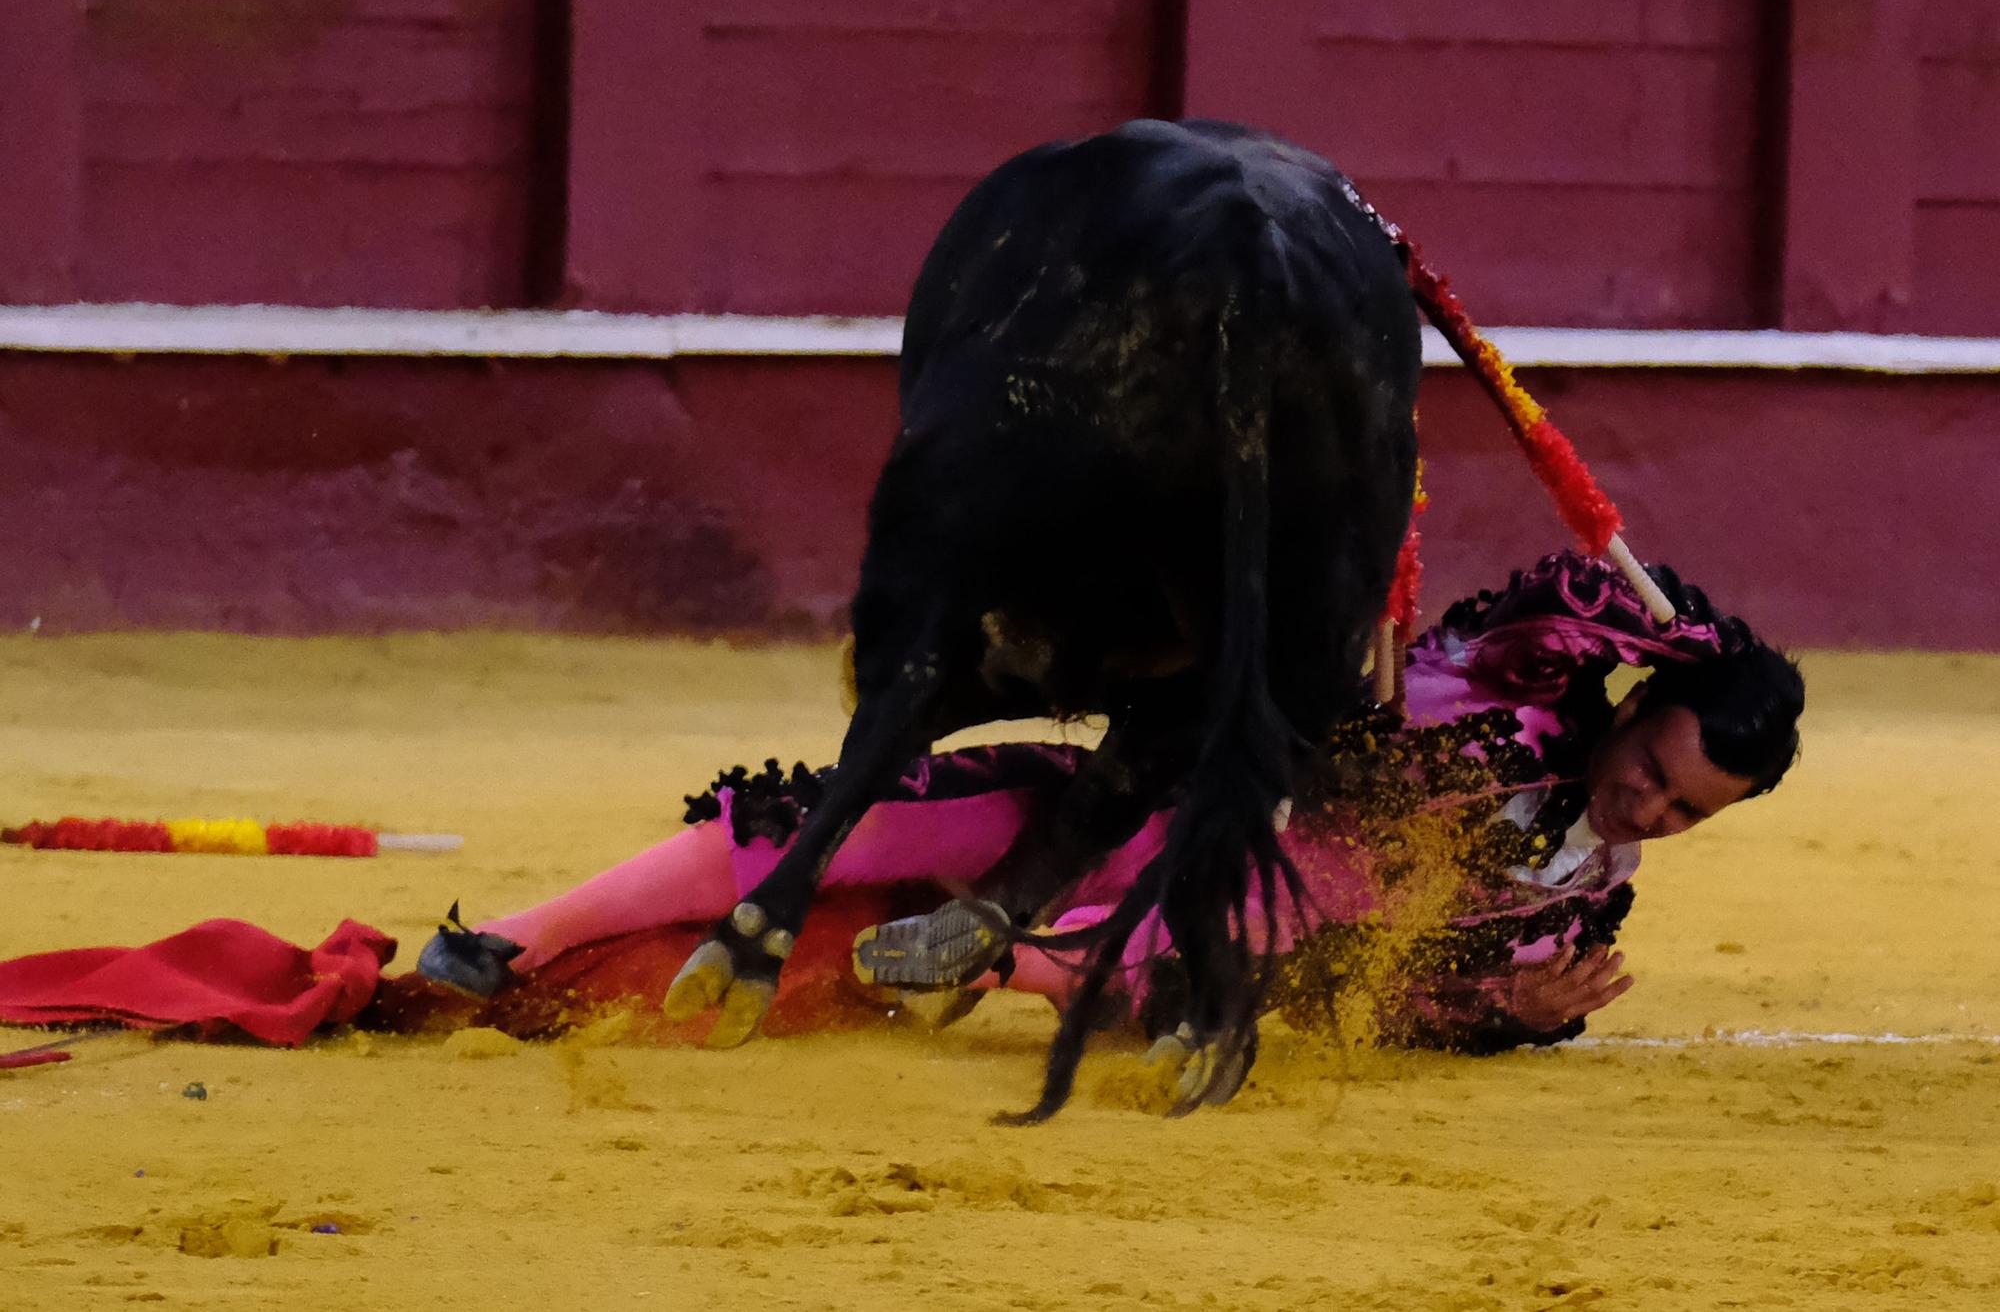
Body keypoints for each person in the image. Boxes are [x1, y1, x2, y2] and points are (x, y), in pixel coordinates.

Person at [419, 550, 1805, 1055]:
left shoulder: (1576, 904)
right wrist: (1688, 634)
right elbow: (1568, 590)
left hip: (1219, 894)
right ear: (1637, 703)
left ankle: (987, 957)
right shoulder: (1540, 680)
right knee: (865, 815)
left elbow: (1376, 995)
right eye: (1654, 768)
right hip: (1173, 780)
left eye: (1684, 812)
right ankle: (516, 938)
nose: (1647, 806)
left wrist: (1501, 1026)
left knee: (1214, 949)